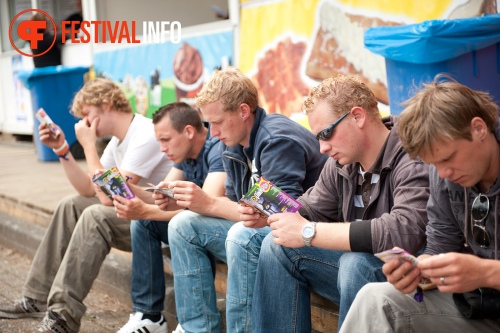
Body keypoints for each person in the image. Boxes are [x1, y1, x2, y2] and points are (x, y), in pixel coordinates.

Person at [250, 74, 430, 331]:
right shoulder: (341, 163)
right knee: (276, 244)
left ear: (357, 117)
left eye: (326, 133)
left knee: (354, 263)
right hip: (358, 275)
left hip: (412, 283)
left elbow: (403, 231)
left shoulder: (412, 151)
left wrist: (307, 231)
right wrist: (269, 212)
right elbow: (309, 209)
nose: (322, 148)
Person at [0, 78, 173, 333]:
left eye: (87, 115)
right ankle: (35, 298)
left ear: (105, 104)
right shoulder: (117, 142)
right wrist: (61, 149)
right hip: (134, 215)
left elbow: (108, 196)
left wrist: (89, 146)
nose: (84, 124)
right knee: (71, 204)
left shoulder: (146, 133)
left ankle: (62, 317)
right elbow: (87, 189)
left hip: (158, 223)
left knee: (95, 215)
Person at [167, 67, 327, 333]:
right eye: (208, 123)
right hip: (271, 232)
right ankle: (197, 329)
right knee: (184, 225)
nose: (213, 132)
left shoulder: (276, 138)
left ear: (243, 111)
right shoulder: (230, 143)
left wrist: (209, 203)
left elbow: (283, 216)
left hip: (313, 235)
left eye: (217, 122)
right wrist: (188, 203)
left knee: (242, 237)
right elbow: (239, 206)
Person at [340, 78, 500, 332]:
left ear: (478, 129)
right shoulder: (446, 175)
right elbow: (439, 246)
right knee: (375, 299)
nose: (444, 174)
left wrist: (489, 273)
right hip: (482, 306)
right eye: (435, 164)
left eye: (448, 158)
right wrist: (418, 272)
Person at [114, 102, 226, 333]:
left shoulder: (217, 148)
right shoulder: (185, 152)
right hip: (201, 226)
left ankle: (195, 325)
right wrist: (123, 187)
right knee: (146, 222)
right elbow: (160, 198)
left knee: (181, 224)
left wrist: (145, 211)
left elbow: (207, 209)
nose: (162, 148)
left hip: (226, 230)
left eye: (166, 140)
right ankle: (149, 316)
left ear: (188, 131)